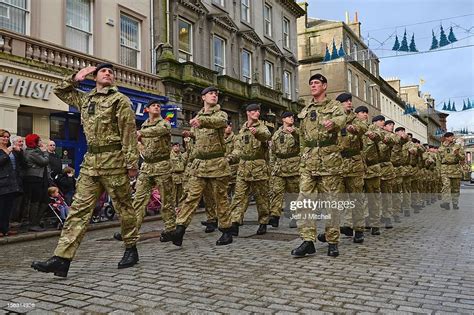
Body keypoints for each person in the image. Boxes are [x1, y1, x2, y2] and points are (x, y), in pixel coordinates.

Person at [31, 63, 140, 277]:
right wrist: (75, 77)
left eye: (111, 72)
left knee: (124, 207)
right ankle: (62, 258)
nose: (108, 73)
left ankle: (131, 248)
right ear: (95, 77)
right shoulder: (85, 98)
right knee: (78, 210)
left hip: (115, 162)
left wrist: (131, 164)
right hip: (91, 163)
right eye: (103, 71)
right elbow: (59, 91)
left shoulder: (120, 101)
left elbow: (129, 132)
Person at [291, 74, 346, 258]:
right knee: (303, 203)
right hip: (308, 163)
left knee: (332, 204)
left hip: (329, 162)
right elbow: (302, 138)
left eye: (317, 83)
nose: (313, 86)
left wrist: (333, 124)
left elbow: (342, 119)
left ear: (325, 86)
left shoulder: (334, 106)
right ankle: (308, 241)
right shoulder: (306, 110)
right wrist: (301, 158)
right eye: (311, 83)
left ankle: (332, 241)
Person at [170, 86, 233, 246]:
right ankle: (180, 229)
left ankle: (226, 231)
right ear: (203, 98)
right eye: (210, 93)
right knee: (191, 197)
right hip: (199, 165)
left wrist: (202, 121)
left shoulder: (220, 114)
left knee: (221, 199)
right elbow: (198, 134)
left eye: (216, 94)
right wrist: (190, 134)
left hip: (217, 164)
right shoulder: (198, 115)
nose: (214, 96)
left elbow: (220, 122)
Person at [130, 99, 175, 242]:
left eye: (158, 106)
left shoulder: (164, 123)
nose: (157, 107)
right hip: (147, 167)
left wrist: (140, 133)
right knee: (138, 200)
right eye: (153, 105)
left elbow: (159, 130)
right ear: (147, 109)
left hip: (162, 166)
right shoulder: (144, 125)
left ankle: (170, 229)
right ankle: (131, 232)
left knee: (166, 200)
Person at [229, 103, 272, 236]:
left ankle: (263, 222)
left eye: (258, 111)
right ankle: (235, 222)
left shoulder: (263, 127)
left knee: (262, 198)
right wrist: (230, 158)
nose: (256, 113)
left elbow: (266, 136)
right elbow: (238, 149)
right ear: (248, 113)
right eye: (253, 111)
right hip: (243, 168)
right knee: (239, 197)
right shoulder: (242, 130)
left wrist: (257, 133)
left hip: (258, 168)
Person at [336, 95, 368, 244]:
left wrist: (353, 128)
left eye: (350, 101)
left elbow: (363, 128)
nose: (349, 103)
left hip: (354, 163)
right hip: (337, 163)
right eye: (345, 101)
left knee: (356, 198)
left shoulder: (356, 119)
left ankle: (359, 230)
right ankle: (342, 227)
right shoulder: (333, 118)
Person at [268, 111, 300, 229]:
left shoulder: (297, 132)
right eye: (288, 117)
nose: (291, 118)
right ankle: (274, 217)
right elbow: (273, 152)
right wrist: (272, 166)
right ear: (283, 119)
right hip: (279, 168)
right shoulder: (276, 134)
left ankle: (294, 217)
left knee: (294, 195)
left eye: (292, 117)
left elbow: (303, 144)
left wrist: (295, 133)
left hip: (293, 168)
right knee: (276, 193)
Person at [23, 134, 50, 232]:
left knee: (45, 200)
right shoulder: (32, 152)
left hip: (39, 178)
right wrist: (46, 152)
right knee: (35, 201)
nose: (41, 142)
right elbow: (44, 161)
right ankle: (33, 224)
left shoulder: (34, 151)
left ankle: (36, 221)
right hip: (34, 178)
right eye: (39, 140)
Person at [0, 129, 23, 237]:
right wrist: (7, 152)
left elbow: (20, 164)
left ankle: (5, 229)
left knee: (8, 208)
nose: (5, 139)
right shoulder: (5, 150)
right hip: (2, 181)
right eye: (3, 137)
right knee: (1, 207)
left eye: (7, 137)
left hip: (12, 182)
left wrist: (19, 152)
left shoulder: (11, 149)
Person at [439, 132, 465, 210]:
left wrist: (457, 154)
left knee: (455, 188)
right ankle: (446, 202)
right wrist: (438, 170)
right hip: (445, 169)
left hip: (455, 169)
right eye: (451, 137)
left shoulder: (457, 146)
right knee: (446, 186)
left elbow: (462, 158)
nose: (452, 138)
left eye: (453, 137)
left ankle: (455, 203)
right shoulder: (441, 147)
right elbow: (438, 160)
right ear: (446, 138)